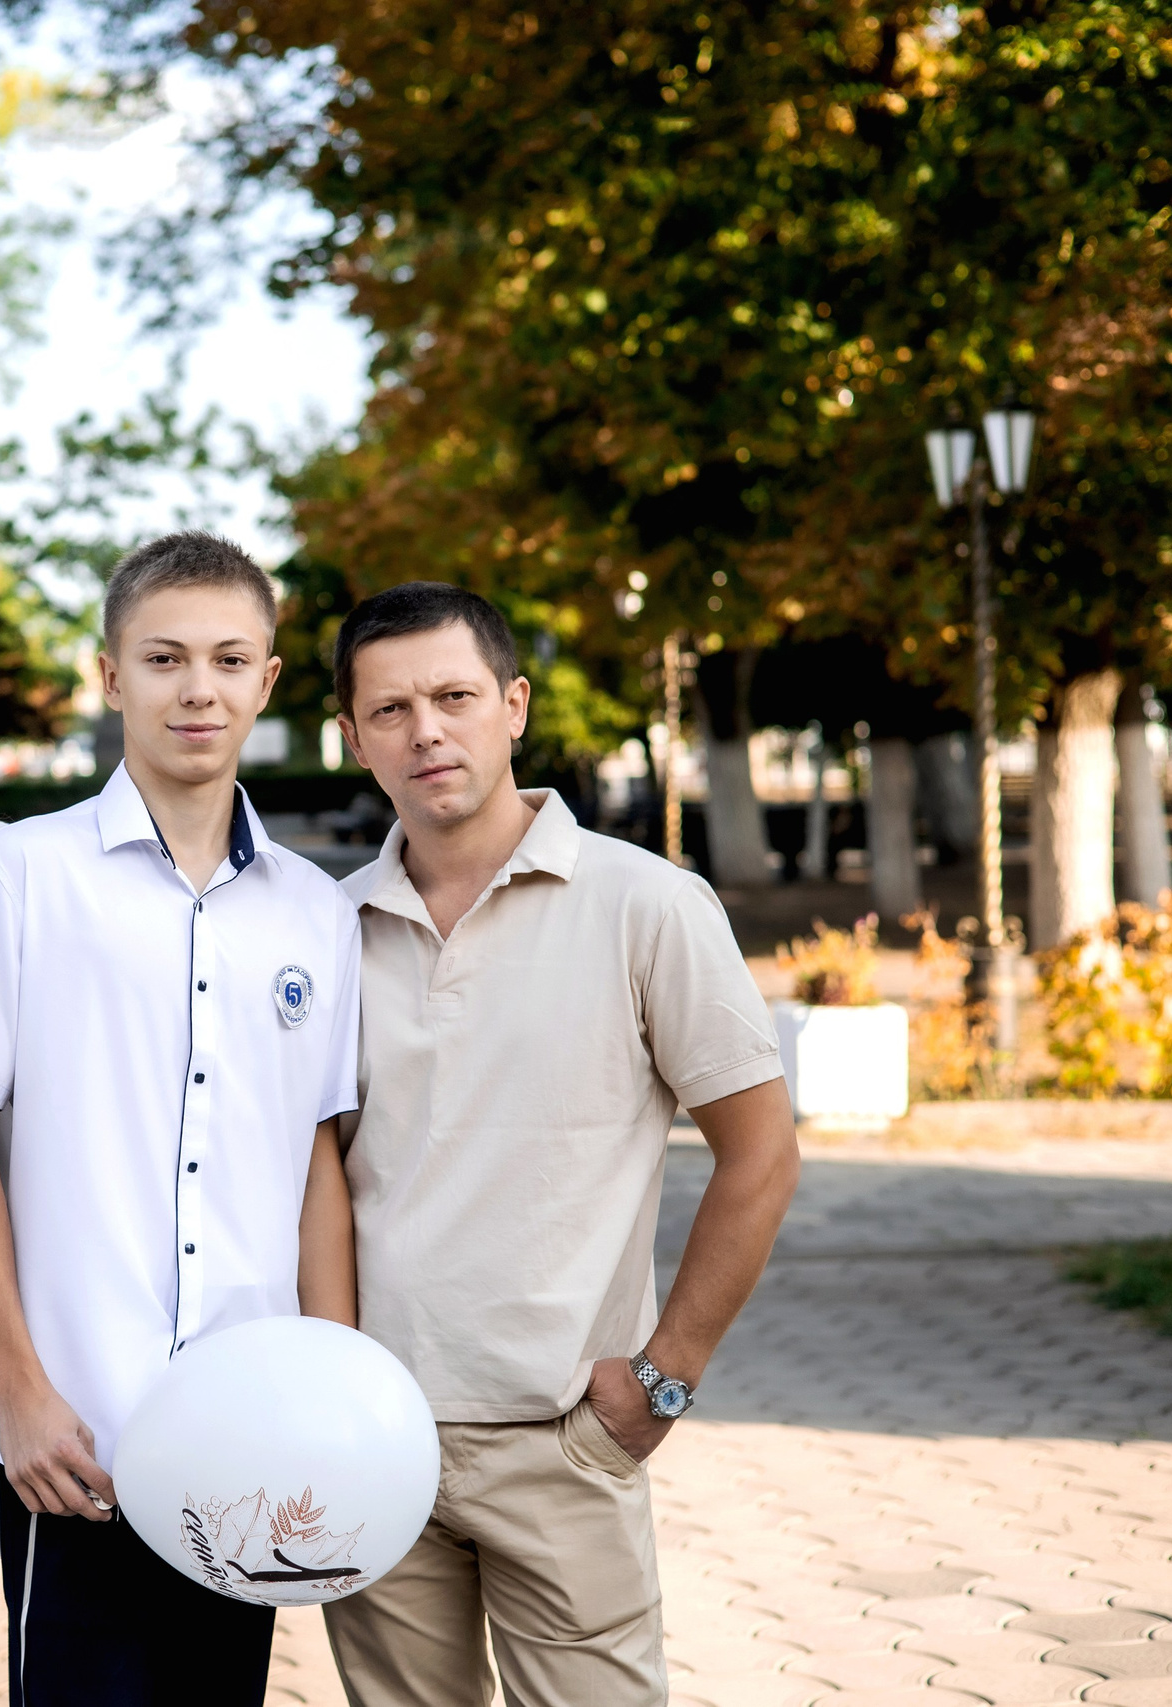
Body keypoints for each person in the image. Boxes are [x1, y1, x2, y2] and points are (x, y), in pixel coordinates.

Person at [0, 531, 362, 1707]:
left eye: (227, 659)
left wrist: (332, 1390)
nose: (195, 689)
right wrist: (17, 1389)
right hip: (80, 1431)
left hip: (250, 1429)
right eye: (162, 659)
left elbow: (316, 1160)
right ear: (110, 677)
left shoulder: (316, 914)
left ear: (268, 679)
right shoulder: (21, 877)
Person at [323, 582, 801, 1707]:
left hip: (563, 1436)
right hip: (370, 1437)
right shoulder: (322, 928)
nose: (425, 730)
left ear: (514, 705)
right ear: (351, 737)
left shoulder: (646, 905)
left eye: (453, 696)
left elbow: (761, 1153)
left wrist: (663, 1379)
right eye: (389, 710)